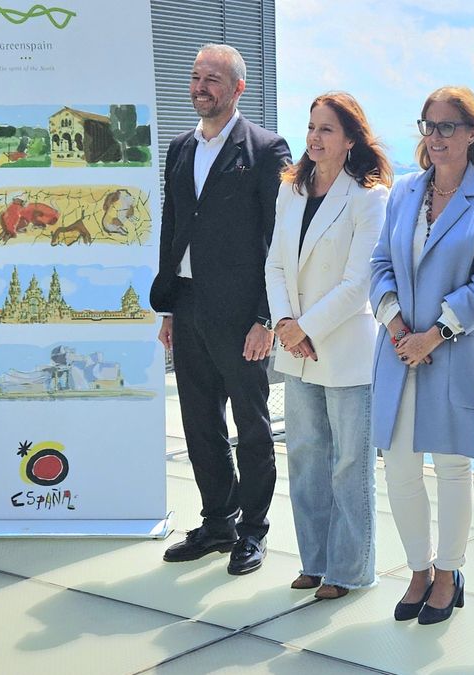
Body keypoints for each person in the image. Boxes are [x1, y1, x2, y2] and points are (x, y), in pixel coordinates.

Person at [369, 85, 474, 625]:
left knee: (452, 469)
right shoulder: (403, 192)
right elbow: (379, 262)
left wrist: (434, 334)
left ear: (473, 132)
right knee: (399, 469)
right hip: (398, 349)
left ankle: (449, 572)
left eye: (448, 126)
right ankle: (418, 570)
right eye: (429, 126)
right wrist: (398, 325)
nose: (436, 137)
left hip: (451, 353)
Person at [150, 43, 291, 575]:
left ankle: (252, 530)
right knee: (199, 421)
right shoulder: (180, 147)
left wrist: (265, 317)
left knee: (251, 426)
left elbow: (277, 241)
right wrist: (167, 307)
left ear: (237, 88)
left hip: (241, 315)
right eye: (195, 76)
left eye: (212, 79)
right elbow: (173, 228)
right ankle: (217, 522)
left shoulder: (266, 149)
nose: (200, 87)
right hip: (186, 306)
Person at [264, 92, 391, 600]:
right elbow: (274, 263)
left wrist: (304, 329)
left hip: (343, 349)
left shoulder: (369, 195)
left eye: (327, 130)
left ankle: (350, 569)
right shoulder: (290, 189)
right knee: (306, 458)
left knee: (349, 464)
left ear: (351, 139)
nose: (314, 138)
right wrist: (285, 324)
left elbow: (359, 283)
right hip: (297, 347)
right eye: (311, 127)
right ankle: (314, 561)